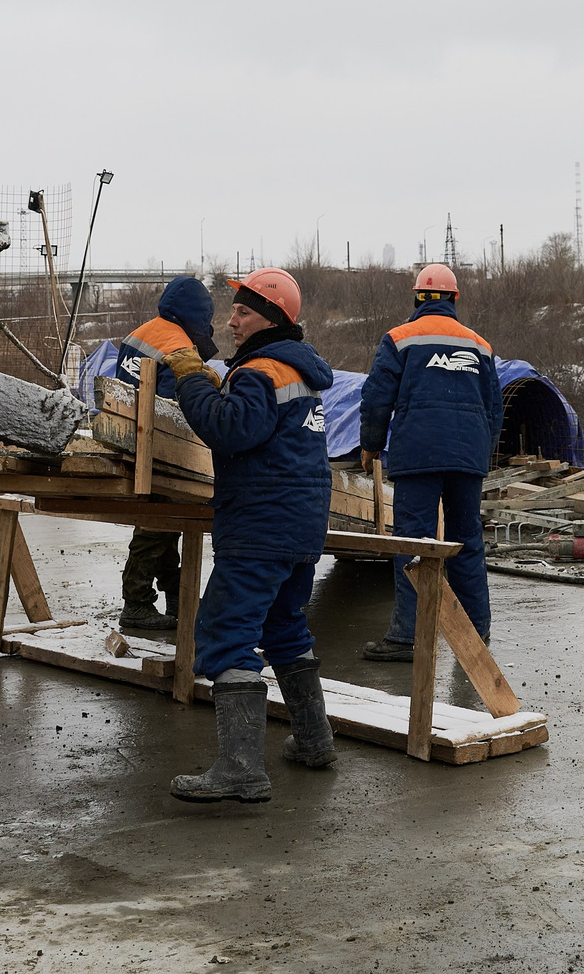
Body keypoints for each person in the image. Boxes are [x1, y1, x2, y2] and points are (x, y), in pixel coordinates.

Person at [159, 267, 337, 803]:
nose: (231, 320)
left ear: (272, 319)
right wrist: (222, 387)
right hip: (301, 522)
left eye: (243, 311)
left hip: (261, 523)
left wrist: (191, 377)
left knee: (226, 634)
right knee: (283, 627)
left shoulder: (261, 371)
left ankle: (240, 770)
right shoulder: (295, 372)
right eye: (232, 309)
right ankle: (313, 740)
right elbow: (258, 425)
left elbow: (231, 430)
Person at [355, 263, 504, 663]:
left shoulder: (399, 339)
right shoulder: (480, 345)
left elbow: (376, 398)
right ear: (455, 299)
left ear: (417, 298)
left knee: (415, 544)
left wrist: (369, 446)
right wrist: (480, 454)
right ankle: (476, 631)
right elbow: (494, 408)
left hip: (418, 454)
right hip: (467, 458)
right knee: (467, 541)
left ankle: (409, 637)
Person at [108, 276, 218, 633]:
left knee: (167, 524)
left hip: (130, 437)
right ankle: (137, 602)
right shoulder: (179, 343)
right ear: (198, 315)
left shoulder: (141, 332)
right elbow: (179, 406)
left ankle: (176, 599)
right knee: (156, 527)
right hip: (160, 448)